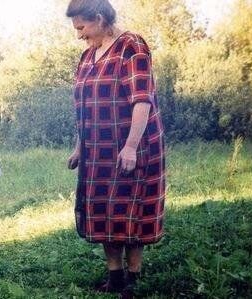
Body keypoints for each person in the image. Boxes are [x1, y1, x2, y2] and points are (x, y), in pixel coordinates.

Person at [65, 0, 166, 297]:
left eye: (82, 27)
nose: (79, 35)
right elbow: (84, 109)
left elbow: (142, 99)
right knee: (104, 213)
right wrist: (79, 147)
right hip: (98, 150)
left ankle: (133, 278)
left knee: (131, 211)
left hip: (131, 148)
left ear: (98, 18)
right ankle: (115, 276)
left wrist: (131, 146)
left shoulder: (131, 46)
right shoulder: (87, 57)